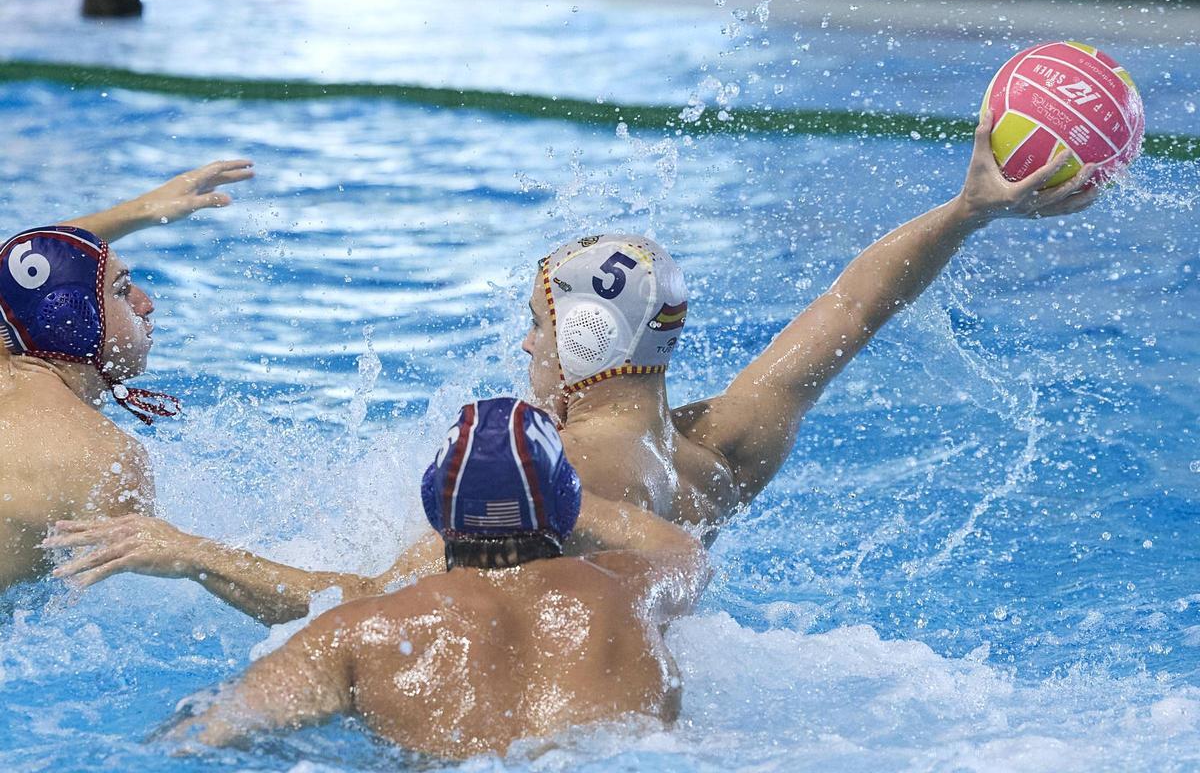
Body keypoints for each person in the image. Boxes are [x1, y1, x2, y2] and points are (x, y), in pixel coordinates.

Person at [47, 111, 1101, 620]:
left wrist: (184, 547)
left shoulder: (547, 480)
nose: (523, 347)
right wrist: (969, 210)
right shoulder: (723, 444)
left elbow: (362, 605)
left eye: (537, 325)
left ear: (585, 342)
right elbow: (856, 301)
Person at [163, 398, 708, 759]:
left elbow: (200, 737)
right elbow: (686, 550)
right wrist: (549, 498)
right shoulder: (630, 587)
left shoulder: (360, 632)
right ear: (566, 502)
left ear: (435, 508)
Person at [0, 160, 254, 591]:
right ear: (71, 321)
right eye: (121, 290)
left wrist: (139, 211)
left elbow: (13, 284)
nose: (145, 303)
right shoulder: (104, 459)